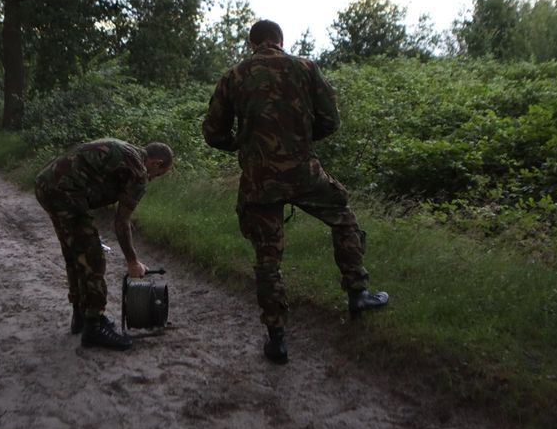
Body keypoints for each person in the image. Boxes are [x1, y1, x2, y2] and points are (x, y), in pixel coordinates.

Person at [202, 19, 388, 364]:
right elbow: (331, 120)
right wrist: (298, 139)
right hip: (304, 171)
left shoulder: (234, 75)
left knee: (267, 258)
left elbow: (213, 132)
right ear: (280, 40)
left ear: (252, 43)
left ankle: (277, 339)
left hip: (259, 178)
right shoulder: (305, 68)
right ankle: (358, 293)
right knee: (342, 217)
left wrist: (244, 144)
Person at [34, 138, 174, 351]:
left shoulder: (127, 151)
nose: (152, 178)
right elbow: (121, 223)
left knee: (74, 252)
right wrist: (133, 262)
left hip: (46, 185)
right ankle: (94, 326)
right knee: (93, 258)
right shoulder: (138, 172)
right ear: (157, 163)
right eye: (157, 174)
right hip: (66, 192)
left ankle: (81, 315)